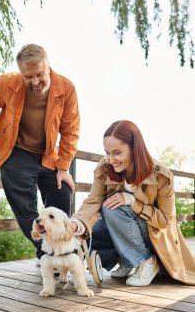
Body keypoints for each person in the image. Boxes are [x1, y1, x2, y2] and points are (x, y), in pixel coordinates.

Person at [0, 43, 80, 259]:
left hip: (48, 156)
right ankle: (47, 254)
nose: (34, 82)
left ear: (48, 66)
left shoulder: (66, 88)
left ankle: (62, 250)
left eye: (39, 75)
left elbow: (70, 130)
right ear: (21, 72)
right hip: (16, 153)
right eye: (28, 76)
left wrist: (63, 167)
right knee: (25, 207)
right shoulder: (8, 83)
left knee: (62, 195)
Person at [70, 120, 195, 286]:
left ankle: (146, 261)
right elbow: (93, 201)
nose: (111, 159)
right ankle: (129, 260)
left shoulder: (161, 175)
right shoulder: (104, 167)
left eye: (117, 153)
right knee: (89, 230)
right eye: (107, 153)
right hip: (125, 228)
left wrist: (132, 201)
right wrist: (76, 223)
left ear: (135, 149)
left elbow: (165, 221)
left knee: (113, 208)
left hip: (154, 234)